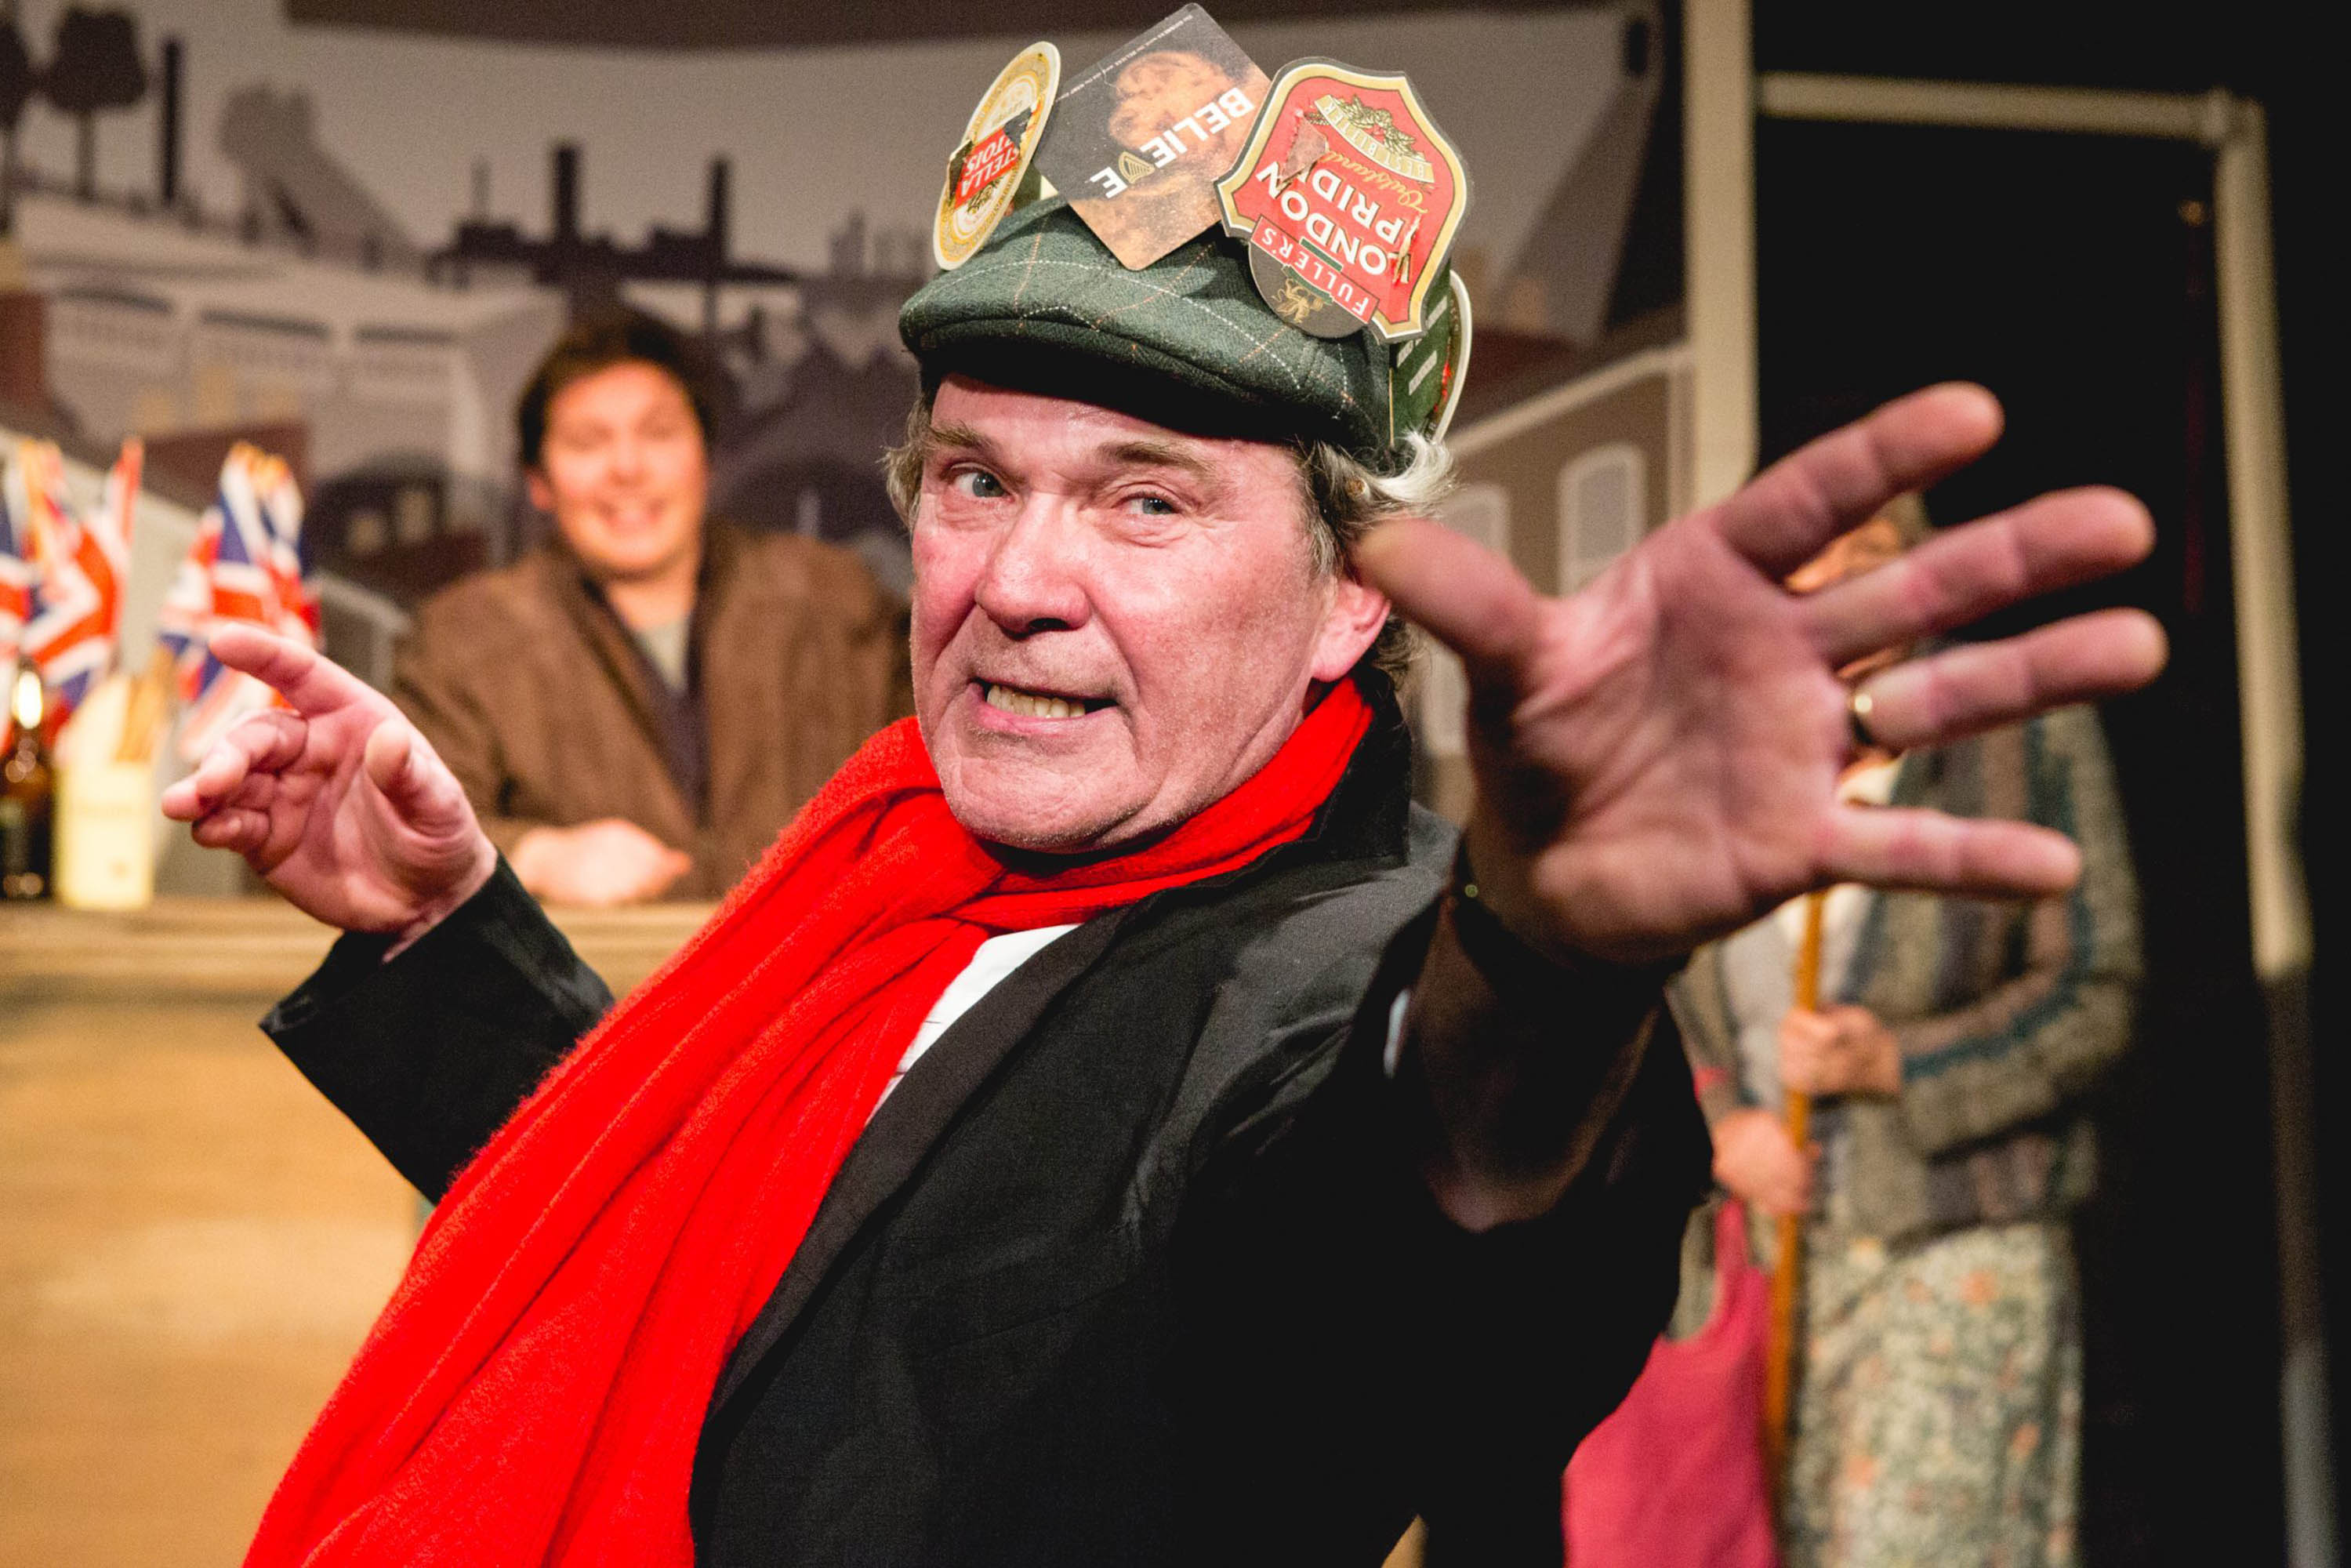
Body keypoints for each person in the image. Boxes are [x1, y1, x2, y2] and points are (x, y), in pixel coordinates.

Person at [163, 186, 2163, 1563]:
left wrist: (1545, 966)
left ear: (1340, 602)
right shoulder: (889, 861)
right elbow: (751, 1267)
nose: (1021, 581)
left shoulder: (1331, 961)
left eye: (1145, 500)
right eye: (976, 478)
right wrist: (448, 939)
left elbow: (1407, 1230)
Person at [1676, 503, 2141, 1568]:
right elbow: (1653, 993)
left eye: (1872, 556)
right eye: (1810, 562)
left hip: (1951, 1249)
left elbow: (2093, 988)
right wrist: (1722, 1126)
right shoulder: (1724, 770)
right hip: (1763, 1267)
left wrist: (1896, 1061)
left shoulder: (2018, 743)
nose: (1839, 581)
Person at [392, 307, 909, 906]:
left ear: (707, 458)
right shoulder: (464, 638)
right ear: (538, 481)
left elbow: (941, 788)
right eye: (588, 443)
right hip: (600, 967)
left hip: (831, 959)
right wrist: (534, 855)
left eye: (658, 434)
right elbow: (402, 834)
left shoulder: (835, 600)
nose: (628, 468)